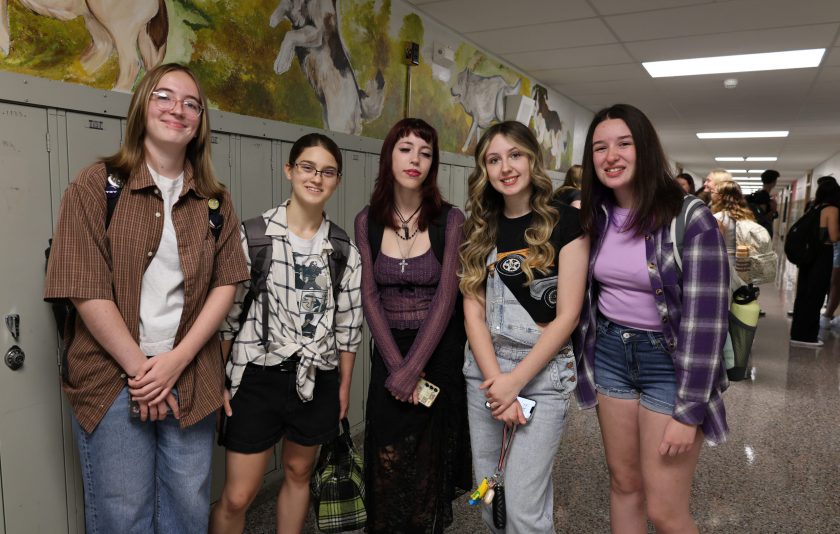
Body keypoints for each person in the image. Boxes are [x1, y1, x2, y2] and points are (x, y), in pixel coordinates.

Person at [44, 63, 249, 533]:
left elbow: (227, 283)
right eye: (164, 96)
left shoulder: (214, 200)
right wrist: (143, 372)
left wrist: (174, 364)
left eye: (191, 103)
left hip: (190, 376)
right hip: (114, 382)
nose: (178, 109)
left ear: (200, 122)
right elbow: (84, 285)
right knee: (123, 515)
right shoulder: (97, 186)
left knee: (187, 511)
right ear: (141, 106)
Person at [576, 104, 730, 533]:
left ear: (644, 148)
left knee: (665, 510)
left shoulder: (689, 217)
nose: (611, 156)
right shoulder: (596, 216)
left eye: (624, 143)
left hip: (671, 365)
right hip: (610, 355)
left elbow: (708, 324)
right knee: (624, 484)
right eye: (600, 147)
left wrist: (689, 410)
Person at [210, 134, 363, 533]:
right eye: (308, 167)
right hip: (256, 377)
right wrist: (218, 380)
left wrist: (343, 386)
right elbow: (226, 317)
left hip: (317, 377)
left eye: (327, 171)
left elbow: (348, 326)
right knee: (239, 494)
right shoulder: (253, 236)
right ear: (290, 170)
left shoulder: (343, 249)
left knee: (298, 474)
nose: (317, 178)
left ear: (337, 181)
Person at [460, 121, 589, 532]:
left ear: (533, 158)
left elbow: (567, 315)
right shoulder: (479, 229)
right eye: (493, 160)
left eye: (514, 155)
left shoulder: (566, 223)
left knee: (523, 510)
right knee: (489, 497)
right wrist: (498, 381)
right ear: (484, 171)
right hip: (486, 374)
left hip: (542, 375)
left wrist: (515, 381)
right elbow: (473, 314)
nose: (505, 167)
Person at [354, 118, 471, 533]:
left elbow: (445, 298)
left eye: (425, 152)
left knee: (428, 465)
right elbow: (369, 295)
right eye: (406, 149)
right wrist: (396, 367)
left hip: (437, 354)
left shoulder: (450, 220)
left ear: (432, 163)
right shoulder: (367, 220)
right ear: (390, 156)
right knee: (387, 458)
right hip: (389, 351)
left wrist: (413, 367)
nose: (415, 160)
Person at [790, 178, 840, 347]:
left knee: (804, 294)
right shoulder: (831, 209)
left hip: (808, 257)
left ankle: (798, 333)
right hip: (822, 256)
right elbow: (833, 236)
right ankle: (808, 336)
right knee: (816, 295)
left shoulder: (814, 207)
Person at [710, 180, 756, 289]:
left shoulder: (718, 218)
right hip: (744, 265)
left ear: (721, 196)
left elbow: (715, 248)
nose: (711, 194)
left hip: (724, 265)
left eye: (713, 192)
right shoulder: (747, 217)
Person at [745, 169, 779, 237]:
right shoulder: (763, 197)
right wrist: (773, 210)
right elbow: (761, 218)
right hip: (761, 233)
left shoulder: (761, 195)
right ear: (774, 182)